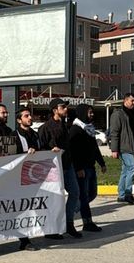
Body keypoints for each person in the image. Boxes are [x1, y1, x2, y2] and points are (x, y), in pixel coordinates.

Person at [38, 98, 82, 239]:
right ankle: (50, 229)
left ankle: (68, 223)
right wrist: (51, 150)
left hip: (68, 165)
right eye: (62, 107)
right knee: (54, 198)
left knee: (75, 193)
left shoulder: (66, 125)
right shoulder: (45, 128)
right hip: (53, 169)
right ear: (54, 110)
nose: (65, 109)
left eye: (65, 107)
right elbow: (42, 148)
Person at [69, 104, 106, 232]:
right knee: (84, 196)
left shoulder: (89, 129)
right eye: (90, 112)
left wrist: (102, 163)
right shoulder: (75, 129)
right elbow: (74, 152)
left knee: (92, 193)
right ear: (83, 113)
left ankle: (70, 210)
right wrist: (78, 168)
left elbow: (94, 148)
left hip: (91, 167)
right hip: (82, 169)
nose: (92, 115)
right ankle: (87, 222)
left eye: (92, 112)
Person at [10, 107, 42, 251]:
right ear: (19, 120)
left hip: (35, 177)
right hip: (18, 179)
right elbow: (11, 157)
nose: (30, 118)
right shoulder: (13, 136)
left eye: (30, 115)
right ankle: (24, 239)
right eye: (26, 116)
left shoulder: (35, 135)